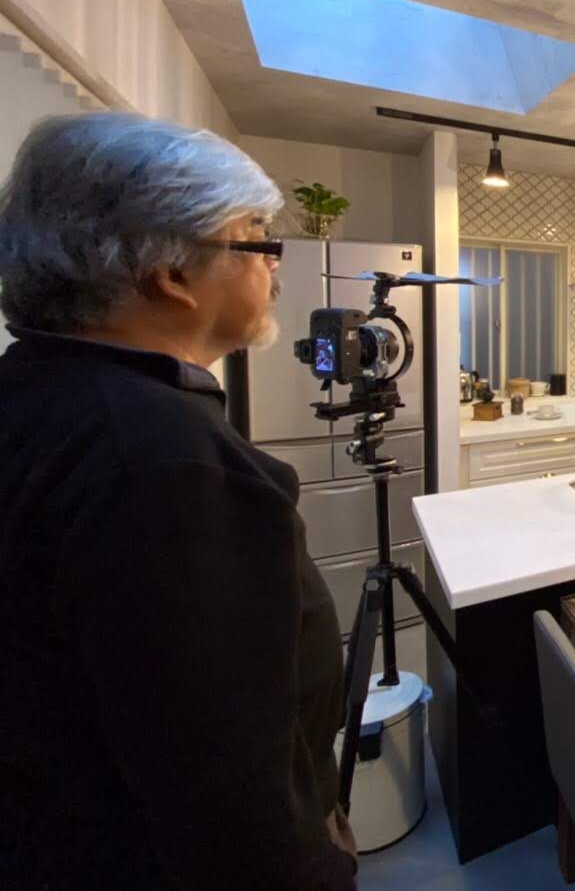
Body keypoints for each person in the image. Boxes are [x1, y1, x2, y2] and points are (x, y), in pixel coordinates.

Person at [0, 113, 357, 889]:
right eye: (255, 241)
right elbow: (227, 795)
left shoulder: (38, 395)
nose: (274, 268)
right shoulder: (161, 463)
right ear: (169, 273)